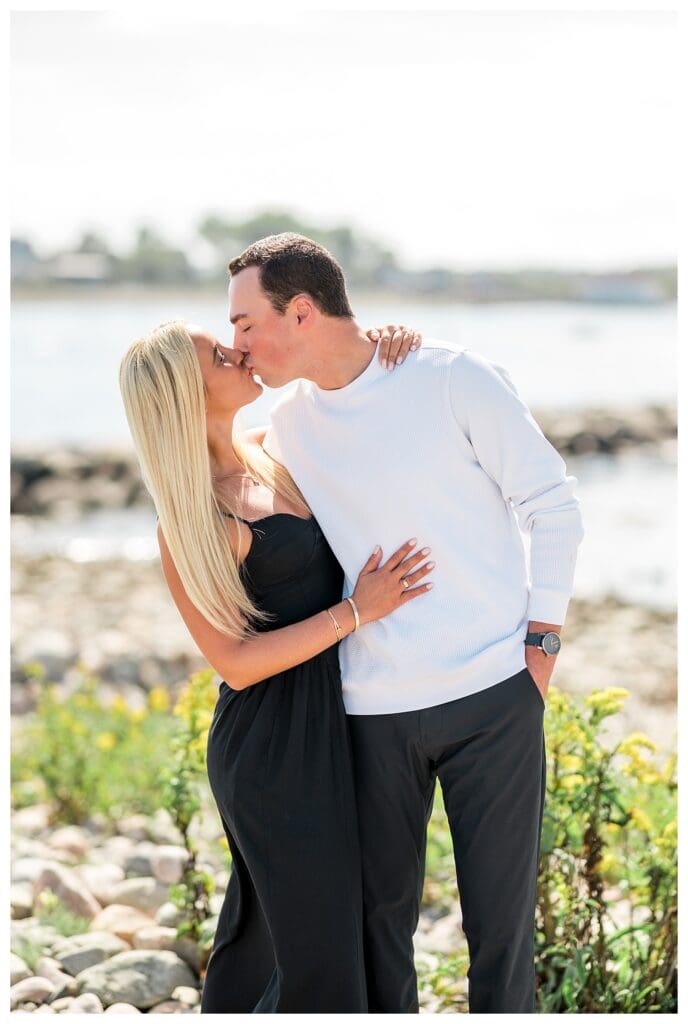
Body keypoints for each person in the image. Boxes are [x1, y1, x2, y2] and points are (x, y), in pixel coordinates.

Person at [227, 232, 585, 1013]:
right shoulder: (286, 427)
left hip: (494, 694)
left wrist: (542, 643)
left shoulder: (452, 376)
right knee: (379, 932)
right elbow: (207, 451)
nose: (238, 343)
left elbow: (553, 506)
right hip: (370, 713)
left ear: (301, 312)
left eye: (246, 323)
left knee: (502, 934)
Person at [118, 318, 432, 1013]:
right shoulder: (195, 521)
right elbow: (232, 662)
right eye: (221, 356)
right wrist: (356, 612)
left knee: (330, 924)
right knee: (310, 941)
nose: (243, 352)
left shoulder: (274, 449)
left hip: (335, 721)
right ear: (185, 397)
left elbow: (354, 406)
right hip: (270, 749)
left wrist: (378, 348)